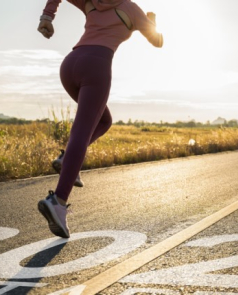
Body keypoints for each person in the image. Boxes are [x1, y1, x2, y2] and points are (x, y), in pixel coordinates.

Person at [36, 0, 163, 238]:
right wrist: (151, 23)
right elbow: (158, 42)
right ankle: (58, 201)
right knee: (81, 133)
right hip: (96, 66)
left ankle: (66, 162)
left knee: (104, 121)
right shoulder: (131, 9)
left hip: (70, 64)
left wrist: (47, 17)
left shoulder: (91, 1)